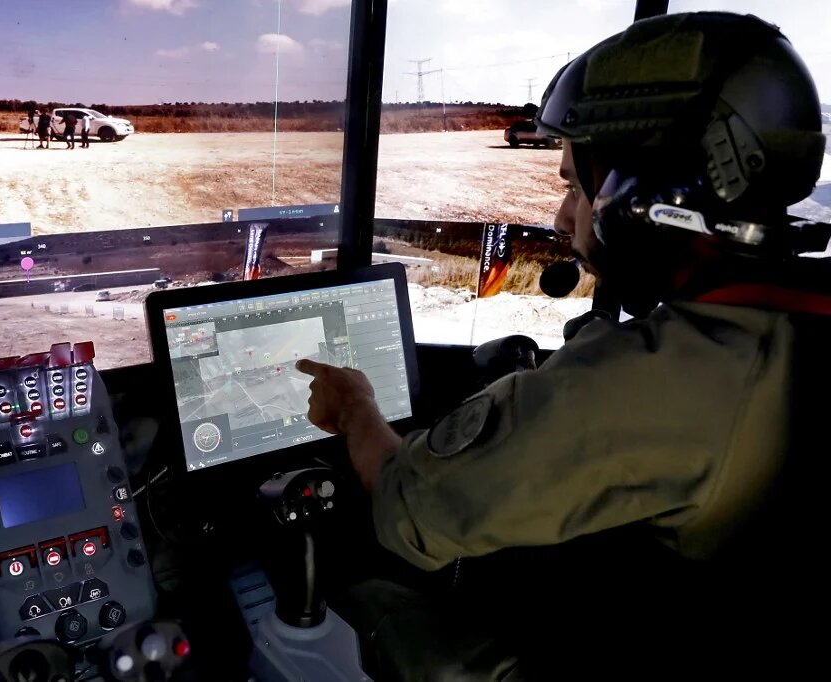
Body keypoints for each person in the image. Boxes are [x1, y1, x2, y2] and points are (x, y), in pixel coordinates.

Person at [298, 12, 828, 680]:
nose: (561, 217)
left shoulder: (654, 380)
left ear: (642, 201)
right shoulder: (791, 318)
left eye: (577, 187)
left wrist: (355, 408)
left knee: (357, 594)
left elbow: (408, 510)